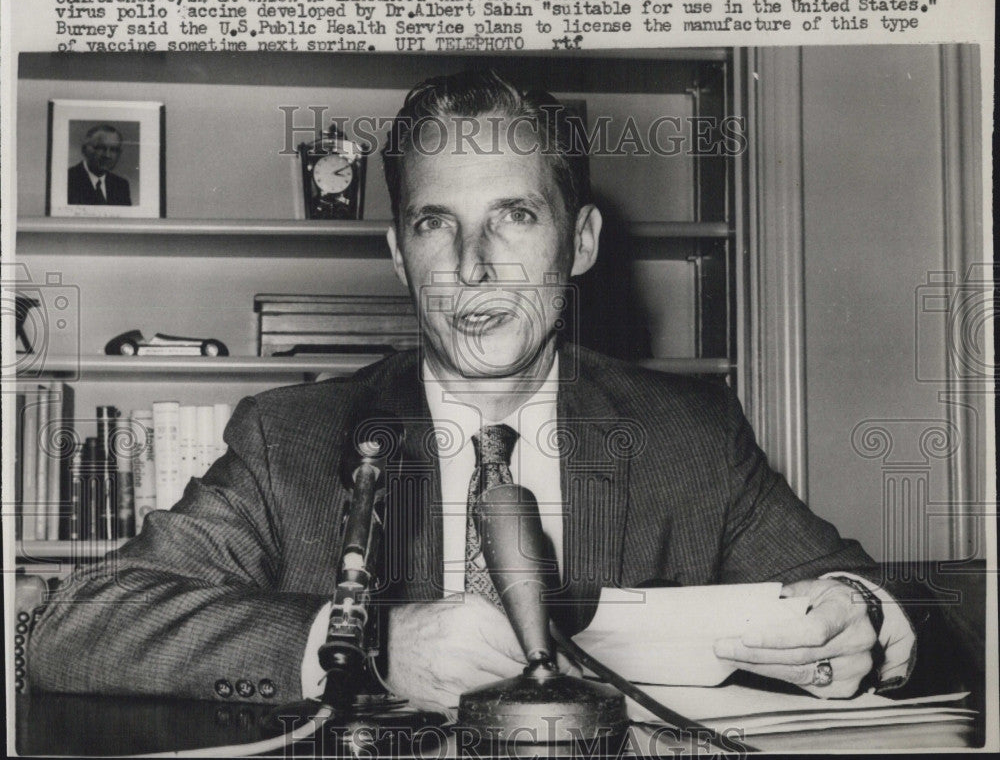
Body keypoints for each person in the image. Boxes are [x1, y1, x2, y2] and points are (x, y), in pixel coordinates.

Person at [29, 70, 918, 712]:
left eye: (515, 217)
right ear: (397, 254)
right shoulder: (291, 438)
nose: (473, 266)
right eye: (435, 224)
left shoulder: (689, 433)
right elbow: (80, 625)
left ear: (580, 243)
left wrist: (859, 616)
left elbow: (863, 593)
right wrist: (368, 647)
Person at [66, 124, 132, 206]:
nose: (107, 155)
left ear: (119, 153)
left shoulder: (121, 186)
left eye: (113, 150)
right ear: (84, 150)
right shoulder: (67, 180)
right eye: (100, 148)